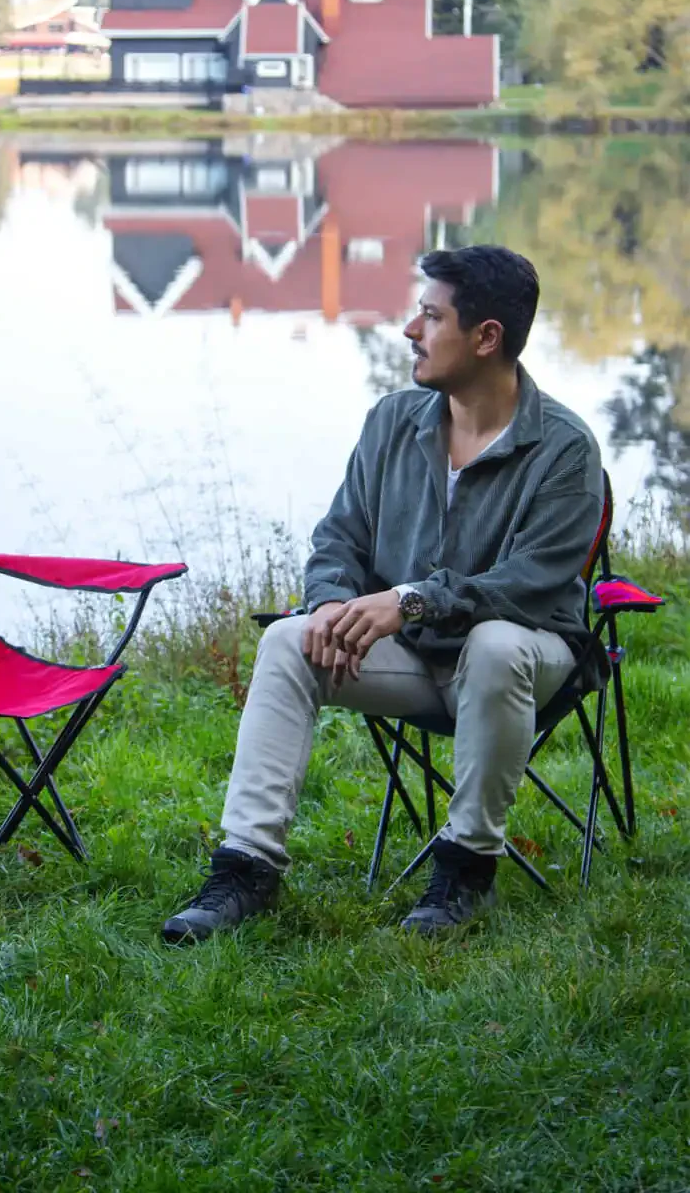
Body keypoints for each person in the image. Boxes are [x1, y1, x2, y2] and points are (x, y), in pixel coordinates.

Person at [163, 244, 604, 942]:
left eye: (431, 316)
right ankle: (245, 869)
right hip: (416, 660)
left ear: (486, 337)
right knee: (288, 640)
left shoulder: (565, 450)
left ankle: (465, 870)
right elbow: (339, 536)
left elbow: (526, 585)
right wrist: (331, 604)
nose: (409, 329)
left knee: (495, 646)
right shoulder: (393, 421)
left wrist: (410, 600)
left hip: (524, 663)